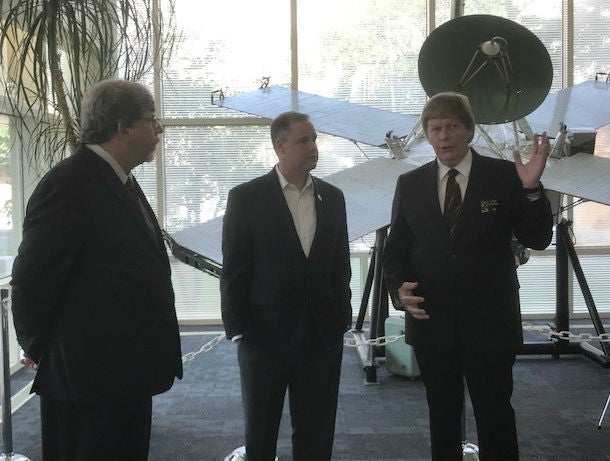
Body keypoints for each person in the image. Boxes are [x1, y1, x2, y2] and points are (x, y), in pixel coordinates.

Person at [10, 79, 183, 461]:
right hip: (86, 381)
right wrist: (44, 349)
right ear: (122, 127)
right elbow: (31, 280)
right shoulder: (69, 184)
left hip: (122, 374)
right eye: (151, 120)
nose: (159, 129)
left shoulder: (120, 179)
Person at [382, 92, 553, 461]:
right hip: (432, 322)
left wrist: (532, 190)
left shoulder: (506, 176)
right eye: (436, 128)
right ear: (427, 135)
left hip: (490, 323)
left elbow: (537, 239)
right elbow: (395, 251)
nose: (444, 136)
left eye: (452, 127)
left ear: (470, 131)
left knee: (495, 416)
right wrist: (398, 291)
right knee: (442, 417)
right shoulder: (410, 184)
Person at [220, 111, 352, 461]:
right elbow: (235, 269)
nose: (313, 147)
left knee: (316, 433)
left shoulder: (333, 197)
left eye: (314, 139)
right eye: (303, 140)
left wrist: (341, 316)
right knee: (261, 435)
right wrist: (238, 329)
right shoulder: (246, 198)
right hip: (264, 338)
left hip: (321, 337)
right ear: (280, 146)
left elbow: (340, 266)